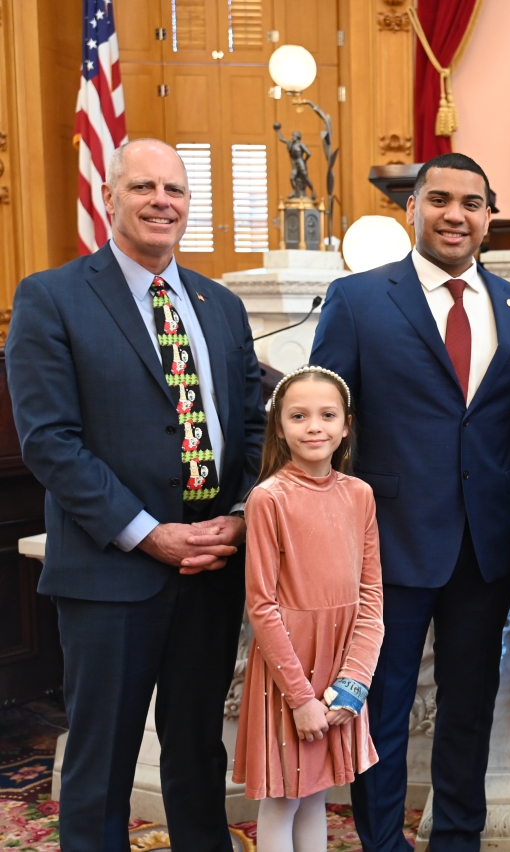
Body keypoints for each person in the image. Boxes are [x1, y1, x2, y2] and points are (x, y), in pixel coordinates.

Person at [6, 138, 265, 852]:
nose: (162, 202)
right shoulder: (52, 296)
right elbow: (50, 441)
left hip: (212, 565)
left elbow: (251, 427)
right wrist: (149, 532)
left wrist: (239, 519)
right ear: (110, 196)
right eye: (145, 187)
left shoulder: (220, 304)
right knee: (102, 759)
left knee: (197, 750)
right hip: (112, 568)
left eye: (175, 191)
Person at [310, 153, 510, 852]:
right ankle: (383, 844)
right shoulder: (357, 300)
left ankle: (458, 840)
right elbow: (330, 423)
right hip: (387, 543)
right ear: (411, 208)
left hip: (485, 549)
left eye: (472, 203)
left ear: (488, 217)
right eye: (439, 199)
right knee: (379, 710)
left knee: (469, 709)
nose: (455, 215)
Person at [232, 366, 384, 852]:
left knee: (316, 792)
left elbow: (371, 596)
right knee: (284, 798)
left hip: (339, 666)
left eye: (327, 415)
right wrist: (300, 698)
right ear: (279, 425)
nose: (314, 426)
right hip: (289, 672)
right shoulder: (267, 499)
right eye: (299, 416)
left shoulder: (360, 494)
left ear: (346, 425)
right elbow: (262, 605)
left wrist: (352, 682)